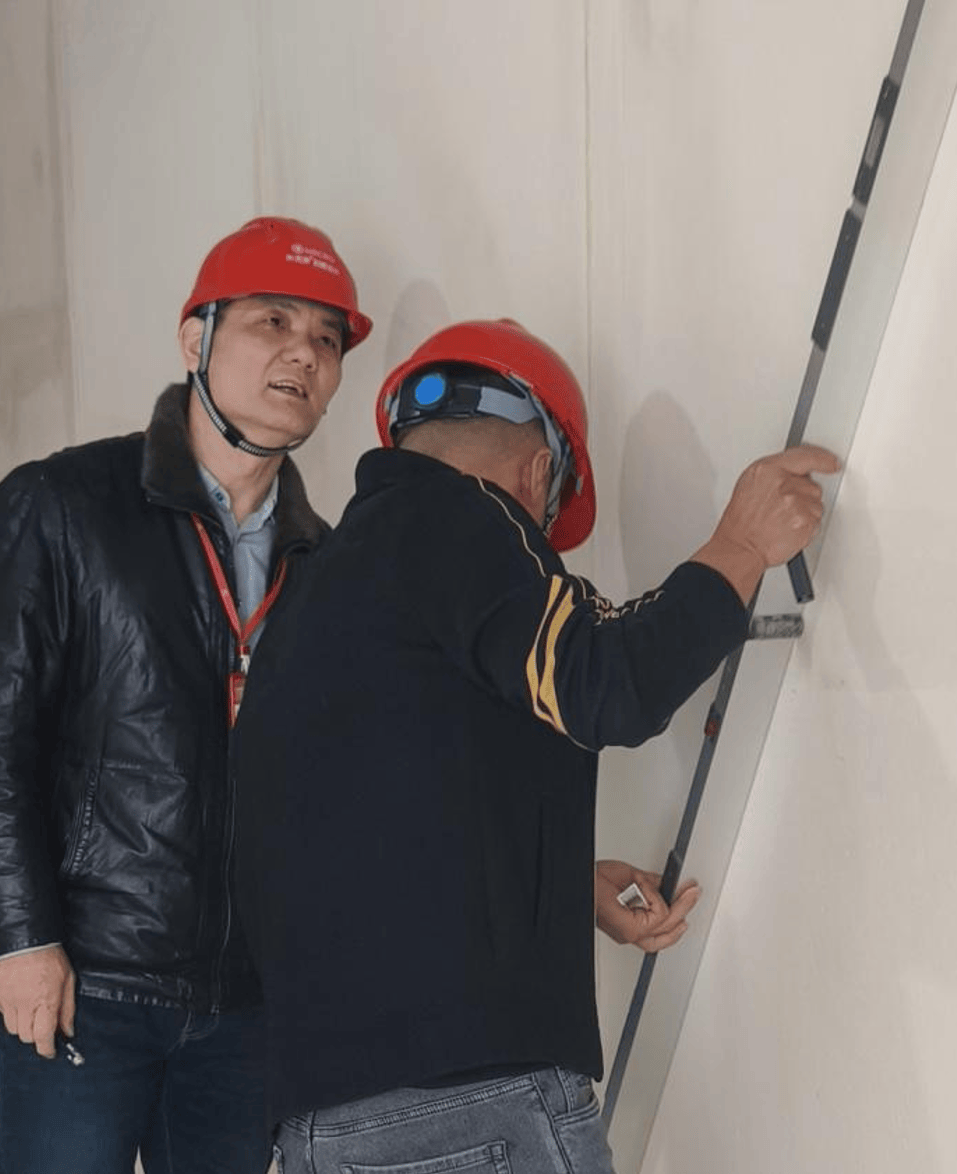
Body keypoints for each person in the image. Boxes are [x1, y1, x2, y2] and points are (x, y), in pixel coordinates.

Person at [0, 220, 696, 1174]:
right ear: (196, 338)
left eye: (326, 340)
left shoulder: (338, 562)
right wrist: (19, 940)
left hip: (255, 1006)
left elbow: (388, 795)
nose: (302, 353)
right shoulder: (63, 507)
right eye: (272, 322)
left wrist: (560, 884)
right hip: (97, 977)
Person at [232, 318, 837, 1174]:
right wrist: (738, 545)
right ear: (539, 472)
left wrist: (556, 886)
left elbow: (364, 821)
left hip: (326, 1126)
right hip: (465, 1108)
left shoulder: (321, 587)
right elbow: (603, 681)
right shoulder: (461, 517)